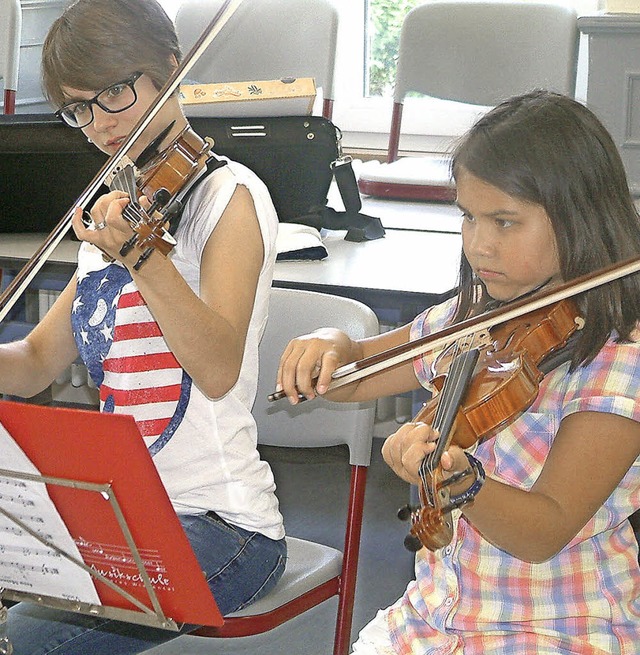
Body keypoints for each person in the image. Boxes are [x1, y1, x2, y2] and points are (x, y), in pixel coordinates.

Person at [277, 90, 640, 654]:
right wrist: (334, 342)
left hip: (556, 626)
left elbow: (544, 530)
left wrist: (464, 483)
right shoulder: (474, 318)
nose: (478, 244)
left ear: (579, 216)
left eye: (504, 221)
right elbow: (360, 374)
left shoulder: (617, 359)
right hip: (437, 614)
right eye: (468, 217)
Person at [2, 0, 286, 652]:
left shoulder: (228, 198)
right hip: (119, 511)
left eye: (116, 93)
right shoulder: (114, 219)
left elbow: (215, 367)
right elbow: (37, 359)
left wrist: (141, 257)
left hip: (221, 525)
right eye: (79, 109)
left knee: (33, 638)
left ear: (170, 68)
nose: (102, 123)